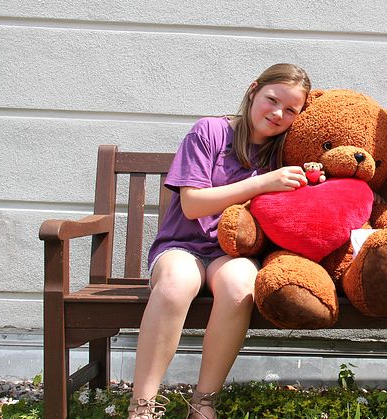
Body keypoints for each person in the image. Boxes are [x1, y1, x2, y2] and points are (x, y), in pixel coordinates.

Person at [128, 63, 311, 419]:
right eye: (272, 100)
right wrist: (260, 183)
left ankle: (203, 401)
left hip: (231, 252)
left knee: (241, 283)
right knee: (176, 283)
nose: (278, 114)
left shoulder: (283, 154)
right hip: (182, 246)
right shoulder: (210, 131)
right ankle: (142, 405)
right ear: (253, 90)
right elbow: (193, 204)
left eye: (291, 110)